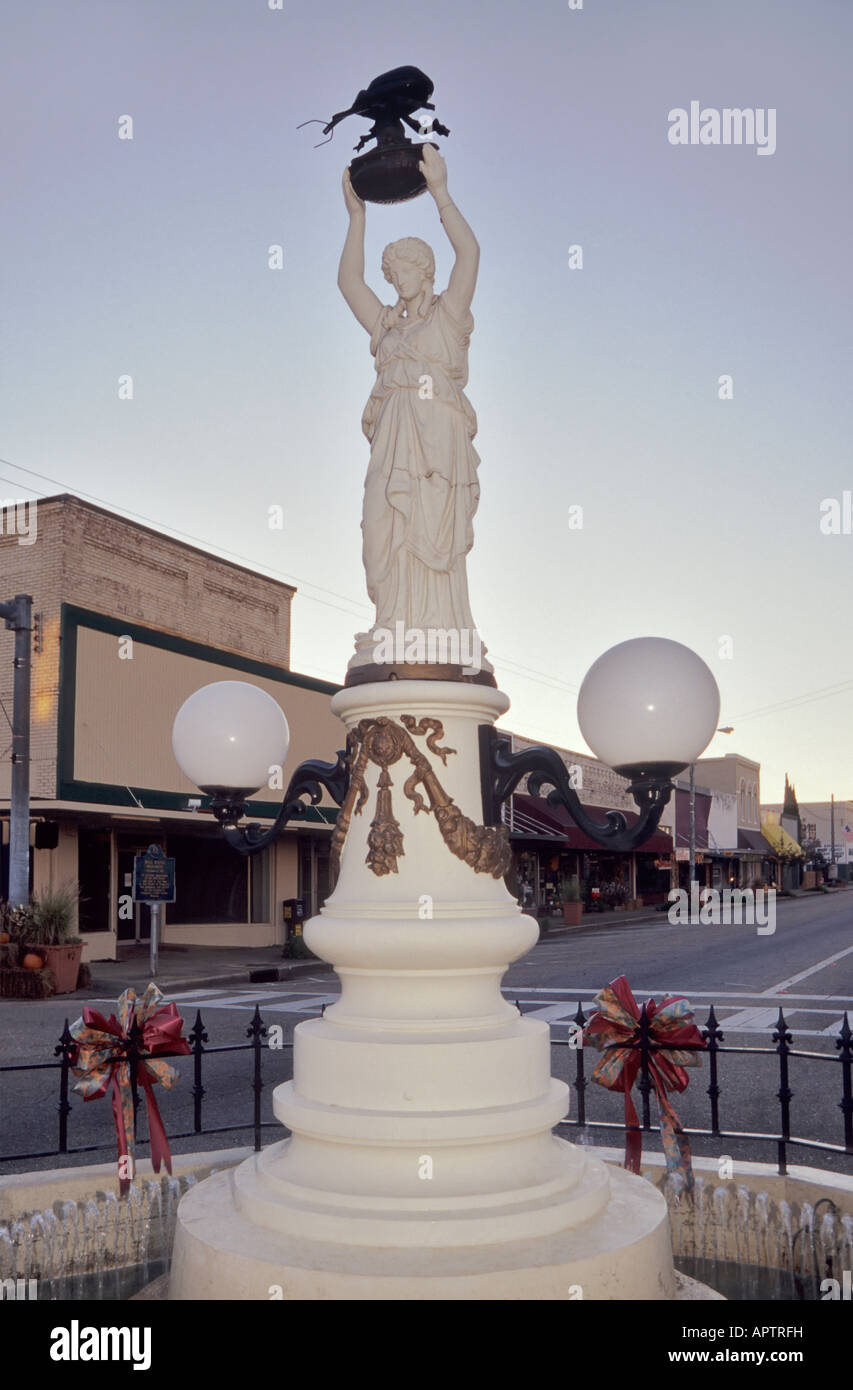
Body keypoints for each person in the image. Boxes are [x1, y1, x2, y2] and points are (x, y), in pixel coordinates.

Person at [338, 145, 490, 675]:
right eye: (391, 270)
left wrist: (442, 193)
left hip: (438, 437)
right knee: (381, 527)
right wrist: (357, 217)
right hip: (395, 433)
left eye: (404, 268)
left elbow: (469, 255)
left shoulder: (447, 317)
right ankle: (393, 623)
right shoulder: (388, 328)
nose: (395, 278)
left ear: (425, 273)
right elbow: (348, 285)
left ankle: (439, 630)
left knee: (429, 529)